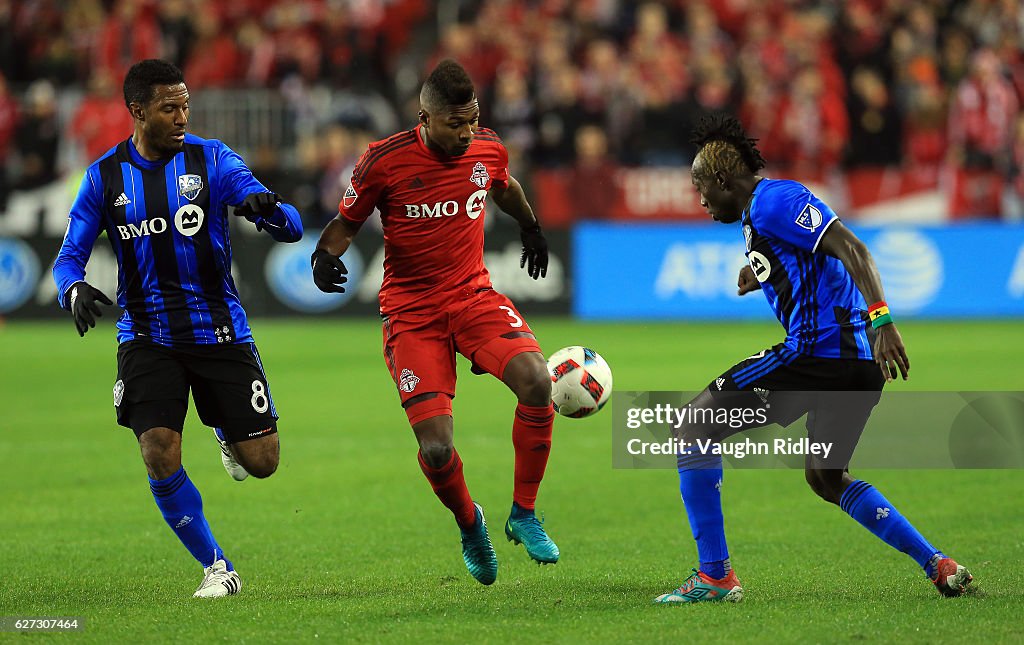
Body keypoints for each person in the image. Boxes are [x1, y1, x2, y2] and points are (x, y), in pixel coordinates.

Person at [653, 113, 973, 604]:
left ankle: (715, 577)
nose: (700, 201)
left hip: (817, 353)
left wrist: (882, 318)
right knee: (826, 477)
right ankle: (938, 564)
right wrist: (761, 270)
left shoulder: (777, 199)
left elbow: (853, 249)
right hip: (856, 367)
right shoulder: (759, 217)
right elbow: (808, 261)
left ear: (721, 179)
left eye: (701, 189)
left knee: (692, 428)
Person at [52, 59, 303, 598]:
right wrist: (71, 289)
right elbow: (68, 256)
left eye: (186, 105)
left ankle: (227, 433)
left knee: (263, 463)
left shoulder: (211, 160)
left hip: (218, 330)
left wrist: (267, 208)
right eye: (171, 107)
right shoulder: (103, 177)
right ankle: (217, 567)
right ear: (138, 110)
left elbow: (290, 224)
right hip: (145, 334)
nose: (183, 116)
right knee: (158, 449)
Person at [312, 59, 556, 585]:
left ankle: (525, 513)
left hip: (473, 297)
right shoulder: (384, 160)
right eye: (455, 124)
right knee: (437, 448)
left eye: (472, 121)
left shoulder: (487, 147)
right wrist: (324, 256)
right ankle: (471, 524)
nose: (467, 133)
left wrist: (532, 227)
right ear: (424, 117)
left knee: (538, 381)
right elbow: (346, 222)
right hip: (412, 314)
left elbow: (505, 186)